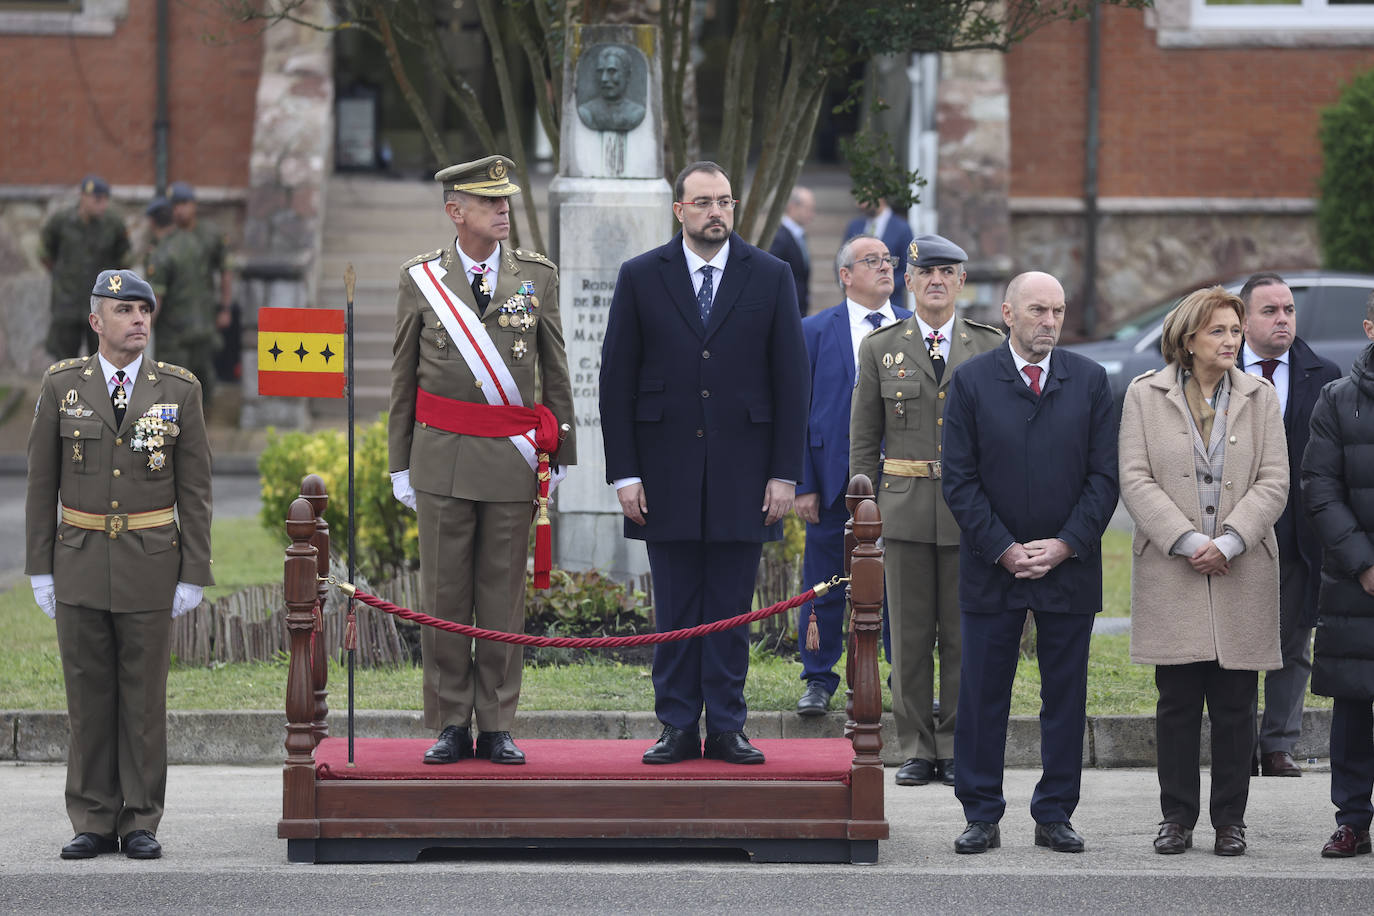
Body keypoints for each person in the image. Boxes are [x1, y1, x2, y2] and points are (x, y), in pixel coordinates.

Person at [599, 161, 808, 766]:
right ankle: (676, 726)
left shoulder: (770, 276)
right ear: (680, 210)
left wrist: (784, 473)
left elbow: (791, 382)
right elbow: (617, 381)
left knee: (730, 606)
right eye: (703, 202)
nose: (716, 211)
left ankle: (727, 727)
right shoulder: (641, 276)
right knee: (676, 605)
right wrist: (626, 473)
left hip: (747, 473)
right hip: (663, 473)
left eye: (724, 201)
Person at [388, 155, 576, 767]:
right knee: (444, 594)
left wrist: (561, 452)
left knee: (501, 595)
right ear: (455, 211)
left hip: (513, 459)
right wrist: (399, 464)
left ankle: (496, 722)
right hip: (440, 458)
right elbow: (403, 380)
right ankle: (449, 720)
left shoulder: (536, 276)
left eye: (506, 201)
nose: (504, 211)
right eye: (490, 202)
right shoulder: (421, 280)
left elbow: (555, 367)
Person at [25, 268, 212, 860]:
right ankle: (92, 817)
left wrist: (193, 571)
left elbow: (196, 490)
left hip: (151, 563)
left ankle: (140, 820)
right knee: (87, 695)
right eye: (125, 310)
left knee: (142, 697)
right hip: (78, 560)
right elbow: (40, 485)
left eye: (144, 311)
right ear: (96, 321)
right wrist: (39, 568)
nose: (138, 321)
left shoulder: (179, 389)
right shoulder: (63, 387)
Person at [941, 271, 1118, 854]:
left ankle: (1055, 813)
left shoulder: (1091, 382)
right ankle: (981, 813)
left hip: (1069, 566)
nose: (1050, 322)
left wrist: (1065, 544)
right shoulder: (969, 383)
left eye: (1058, 311)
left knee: (1064, 695)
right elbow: (960, 481)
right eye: (1038, 310)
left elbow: (1104, 478)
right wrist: (1004, 548)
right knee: (983, 694)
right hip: (993, 565)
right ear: (1008, 314)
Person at [1119, 286, 1287, 857]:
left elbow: (1275, 480)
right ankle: (1177, 819)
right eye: (1218, 331)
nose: (1231, 341)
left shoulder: (1261, 396)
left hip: (1242, 571)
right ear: (1188, 340)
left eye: (1235, 332)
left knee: (1238, 704)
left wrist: (1233, 540)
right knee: (1178, 704)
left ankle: (1230, 822)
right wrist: (1189, 541)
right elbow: (1136, 479)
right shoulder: (1144, 395)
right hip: (1175, 569)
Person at [849, 234, 1003, 788]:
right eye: (925, 272)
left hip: (971, 516)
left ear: (962, 281)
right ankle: (916, 745)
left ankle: (958, 744)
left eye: (947, 271)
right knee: (909, 638)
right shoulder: (881, 347)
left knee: (963, 639)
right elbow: (864, 439)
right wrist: (863, 512)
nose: (936, 281)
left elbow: (1003, 439)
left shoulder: (990, 346)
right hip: (905, 511)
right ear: (908, 281)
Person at [795, 236, 911, 718]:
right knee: (825, 579)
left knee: (901, 581)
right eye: (872, 261)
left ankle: (902, 674)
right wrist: (803, 481)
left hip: (903, 481)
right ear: (845, 274)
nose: (885, 268)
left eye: (889, 260)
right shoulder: (814, 331)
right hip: (831, 479)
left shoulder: (913, 327)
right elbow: (797, 411)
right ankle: (818, 678)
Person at [1237, 272, 1341, 777]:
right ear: (1243, 319)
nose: (1283, 320)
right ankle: (1235, 741)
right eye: (1270, 311)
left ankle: (1278, 744)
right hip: (1230, 531)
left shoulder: (1323, 374)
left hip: (1298, 534)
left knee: (1292, 642)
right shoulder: (1214, 369)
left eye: (1289, 311)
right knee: (1230, 643)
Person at [1304, 293, 1374, 858]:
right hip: (1359, 582)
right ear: (1370, 328)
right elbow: (1321, 490)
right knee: (1355, 701)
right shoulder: (1337, 400)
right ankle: (1353, 819)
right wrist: (1365, 563)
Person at [39, 175, 132, 359]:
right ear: (83, 197)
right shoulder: (62, 221)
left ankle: (98, 389)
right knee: (64, 359)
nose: (103, 205)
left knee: (103, 356)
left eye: (105, 200)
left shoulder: (113, 224)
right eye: (97, 200)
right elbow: (45, 252)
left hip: (100, 302)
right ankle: (66, 389)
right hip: (68, 302)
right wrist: (61, 276)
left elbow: (124, 259)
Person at [843, 198, 913, 310]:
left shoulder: (902, 228)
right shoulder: (854, 226)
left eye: (864, 196)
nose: (858, 203)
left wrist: (882, 285)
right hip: (857, 305)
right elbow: (842, 261)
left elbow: (909, 267)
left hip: (891, 303)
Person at [768, 186, 815, 316]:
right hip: (787, 308)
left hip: (799, 307)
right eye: (808, 208)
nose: (812, 214)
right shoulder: (779, 237)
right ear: (793, 207)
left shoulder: (799, 235)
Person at [576, 45, 646, 132]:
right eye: (600, 71)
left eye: (612, 71)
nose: (604, 79)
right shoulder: (586, 113)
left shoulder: (636, 113)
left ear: (627, 75)